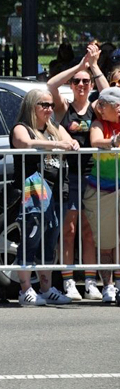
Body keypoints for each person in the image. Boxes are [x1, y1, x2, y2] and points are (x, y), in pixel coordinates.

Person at [47, 43, 111, 301]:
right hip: (69, 177)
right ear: (72, 85)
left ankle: (91, 281)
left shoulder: (97, 106)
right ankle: (68, 281)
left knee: (89, 230)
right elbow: (51, 84)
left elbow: (111, 94)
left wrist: (93, 66)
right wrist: (80, 66)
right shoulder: (64, 107)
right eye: (77, 82)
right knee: (69, 229)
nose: (82, 85)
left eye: (85, 82)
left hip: (94, 176)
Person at [10, 89, 78, 306]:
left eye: (51, 105)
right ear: (32, 106)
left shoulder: (53, 128)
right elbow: (24, 144)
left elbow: (71, 141)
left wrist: (71, 143)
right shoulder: (23, 128)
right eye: (44, 105)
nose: (50, 109)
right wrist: (58, 145)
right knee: (32, 235)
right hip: (34, 186)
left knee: (51, 237)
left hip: (55, 186)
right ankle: (25, 290)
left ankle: (47, 288)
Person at [83, 87, 120, 299]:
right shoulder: (99, 123)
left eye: (102, 105)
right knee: (106, 243)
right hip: (103, 190)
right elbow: (96, 141)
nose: (98, 109)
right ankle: (108, 286)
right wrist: (114, 141)